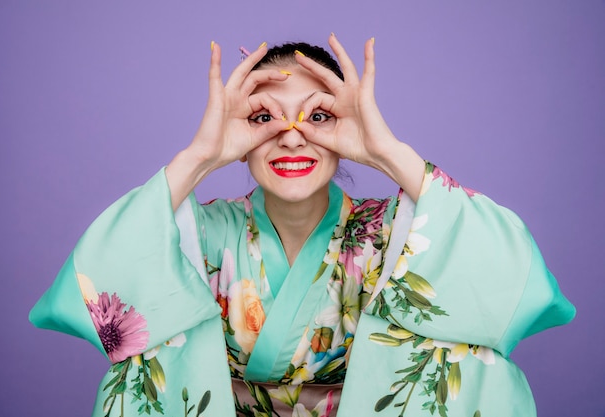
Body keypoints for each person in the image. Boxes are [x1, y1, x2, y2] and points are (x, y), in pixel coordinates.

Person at [30, 34, 575, 417]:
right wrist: (201, 155)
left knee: (468, 355)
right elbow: (100, 281)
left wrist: (385, 151)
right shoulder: (207, 235)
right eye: (264, 117)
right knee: (143, 354)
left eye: (318, 117)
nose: (292, 137)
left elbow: (509, 277)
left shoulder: (391, 234)